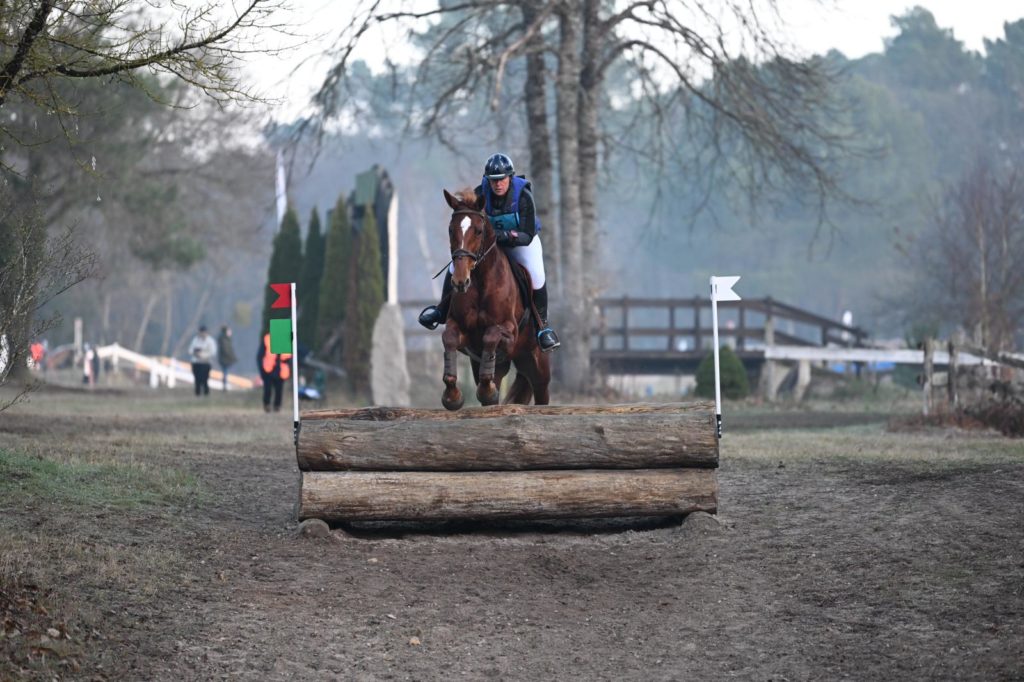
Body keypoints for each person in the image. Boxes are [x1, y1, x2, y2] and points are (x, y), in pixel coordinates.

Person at [418, 152, 561, 352]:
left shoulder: (523, 196)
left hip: (522, 243)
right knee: (454, 267)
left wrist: (504, 236)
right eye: (493, 180)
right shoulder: (480, 195)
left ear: (510, 178)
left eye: (501, 179)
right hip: (491, 246)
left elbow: (527, 234)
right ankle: (440, 311)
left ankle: (543, 327)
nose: (497, 184)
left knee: (536, 275)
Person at [257, 331, 291, 412]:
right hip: (268, 370)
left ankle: (277, 407)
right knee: (267, 389)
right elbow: (260, 356)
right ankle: (267, 405)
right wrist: (261, 370)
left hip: (281, 370)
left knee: (279, 390)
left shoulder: (286, 339)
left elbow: (290, 357)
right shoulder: (267, 339)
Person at [188, 325, 217, 396]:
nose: (202, 334)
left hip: (206, 363)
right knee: (197, 379)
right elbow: (190, 350)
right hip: (196, 362)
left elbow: (213, 352)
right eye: (201, 332)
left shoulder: (210, 341)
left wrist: (203, 355)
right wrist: (195, 353)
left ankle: (206, 393)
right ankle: (197, 393)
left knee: (204, 379)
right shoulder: (195, 340)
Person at [216, 325, 237, 391]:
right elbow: (227, 350)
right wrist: (232, 357)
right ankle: (225, 385)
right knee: (225, 372)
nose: (230, 332)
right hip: (225, 359)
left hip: (225, 359)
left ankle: (225, 385)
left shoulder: (225, 339)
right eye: (229, 331)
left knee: (225, 372)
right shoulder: (224, 340)